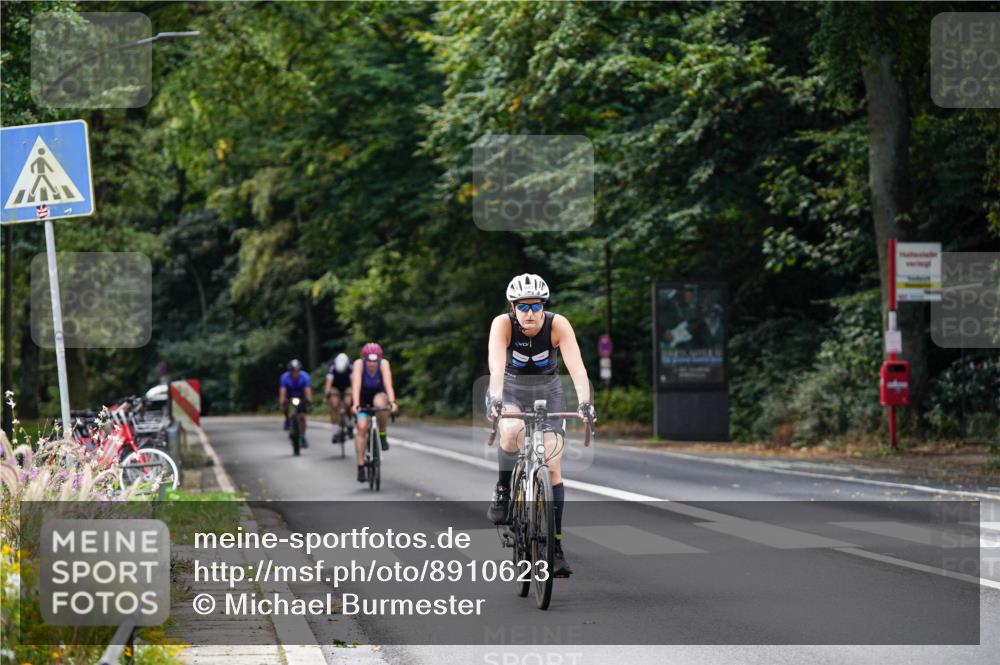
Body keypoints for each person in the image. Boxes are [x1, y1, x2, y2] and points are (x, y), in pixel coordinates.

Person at [485, 273, 597, 577]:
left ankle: (555, 546)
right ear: (513, 306)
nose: (530, 313)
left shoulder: (558, 324)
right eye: (523, 307)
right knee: (511, 432)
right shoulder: (503, 324)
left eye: (536, 306)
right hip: (509, 390)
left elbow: (577, 367)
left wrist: (585, 403)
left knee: (554, 463)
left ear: (544, 306)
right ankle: (503, 489)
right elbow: (496, 367)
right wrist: (496, 400)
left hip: (548, 393)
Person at [351, 342, 398, 482]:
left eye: (375, 361)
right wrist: (355, 404)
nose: (372, 364)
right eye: (369, 361)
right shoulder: (358, 364)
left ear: (379, 359)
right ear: (365, 359)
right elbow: (356, 385)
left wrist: (393, 402)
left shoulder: (384, 364)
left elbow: (389, 385)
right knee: (361, 428)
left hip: (378, 394)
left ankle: (382, 434)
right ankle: (360, 465)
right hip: (362, 397)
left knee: (381, 404)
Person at [278, 359, 313, 448]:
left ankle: (302, 437)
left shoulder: (305, 376)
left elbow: (308, 390)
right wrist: (282, 403)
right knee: (285, 406)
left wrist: (309, 401)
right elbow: (282, 392)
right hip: (289, 397)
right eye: (293, 371)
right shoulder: (284, 377)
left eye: (297, 371)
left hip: (301, 398)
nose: (295, 373)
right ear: (290, 371)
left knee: (302, 417)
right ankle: (287, 419)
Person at [325, 353, 354, 442]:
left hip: (347, 386)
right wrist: (327, 396)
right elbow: (328, 384)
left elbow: (354, 383)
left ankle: (350, 423)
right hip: (336, 386)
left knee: (348, 402)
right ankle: (334, 431)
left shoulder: (350, 367)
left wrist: (353, 395)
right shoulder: (332, 368)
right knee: (334, 405)